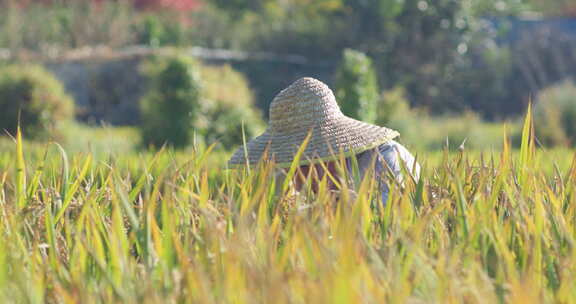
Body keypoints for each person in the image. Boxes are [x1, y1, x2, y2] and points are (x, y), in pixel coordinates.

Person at [228, 77, 420, 204]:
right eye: (291, 166)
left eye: (302, 164)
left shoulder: (387, 160)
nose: (295, 179)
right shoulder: (290, 176)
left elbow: (382, 221)